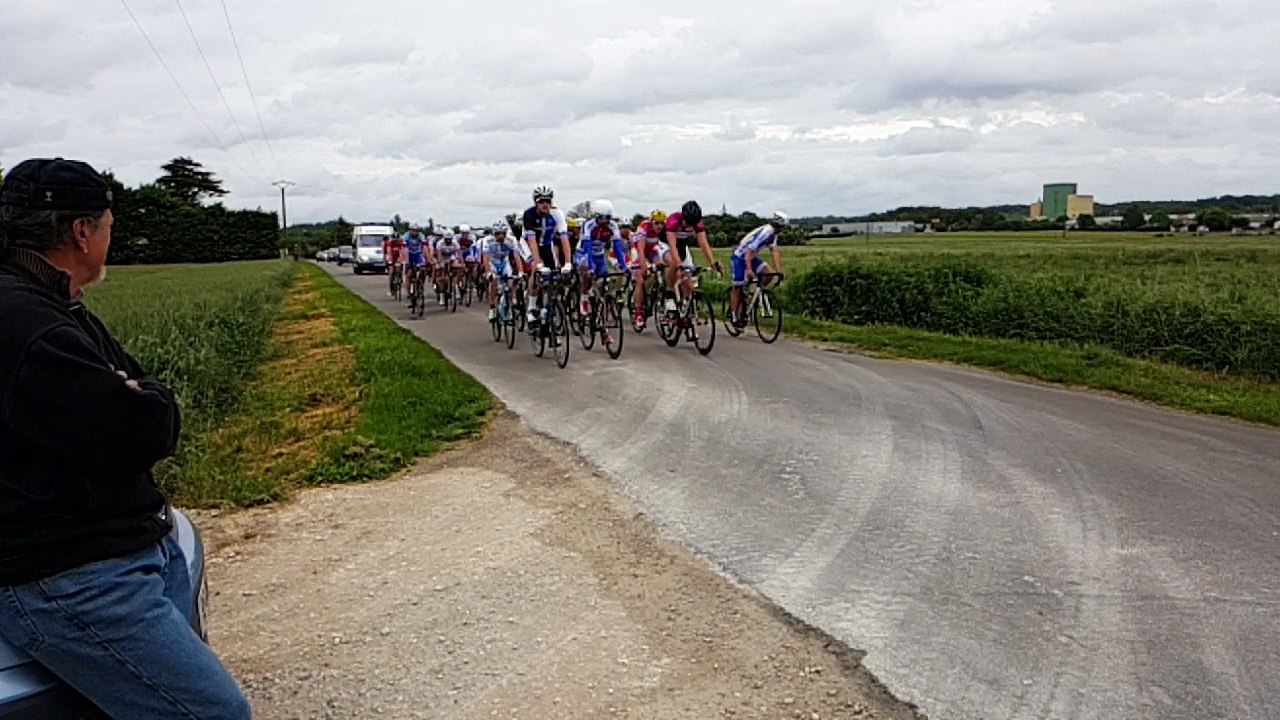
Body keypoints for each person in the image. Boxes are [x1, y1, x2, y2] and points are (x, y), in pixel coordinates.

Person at [0, 158, 250, 719]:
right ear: (82, 231)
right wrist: (137, 396)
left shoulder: (53, 303)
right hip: (72, 574)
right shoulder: (25, 320)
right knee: (215, 713)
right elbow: (139, 430)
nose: (110, 238)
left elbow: (141, 396)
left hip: (120, 547)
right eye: (109, 224)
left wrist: (139, 396)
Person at [520, 185, 573, 323]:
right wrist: (538, 263)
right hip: (528, 244)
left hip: (546, 244)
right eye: (541, 201)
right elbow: (531, 241)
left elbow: (564, 239)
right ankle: (531, 307)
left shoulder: (557, 214)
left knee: (554, 275)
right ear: (535, 202)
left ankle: (548, 305)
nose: (545, 204)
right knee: (535, 270)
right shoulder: (529, 214)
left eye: (548, 201)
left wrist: (568, 262)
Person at [662, 200, 722, 314]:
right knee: (675, 263)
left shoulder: (698, 223)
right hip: (666, 244)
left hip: (682, 246)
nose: (690, 226)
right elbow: (673, 246)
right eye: (688, 222)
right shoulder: (673, 220)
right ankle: (669, 294)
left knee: (689, 284)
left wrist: (712, 262)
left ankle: (684, 310)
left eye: (692, 224)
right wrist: (678, 264)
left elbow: (703, 243)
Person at [729, 211, 788, 327]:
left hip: (751, 257)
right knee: (738, 286)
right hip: (740, 257)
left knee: (769, 274)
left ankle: (753, 296)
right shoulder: (766, 232)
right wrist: (750, 270)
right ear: (779, 225)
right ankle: (734, 315)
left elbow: (774, 251)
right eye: (783, 227)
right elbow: (748, 251)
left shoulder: (773, 234)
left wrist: (778, 270)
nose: (783, 229)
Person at [575, 200, 628, 321]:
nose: (604, 221)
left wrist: (623, 266)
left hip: (599, 255)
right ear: (595, 216)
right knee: (587, 272)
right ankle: (583, 298)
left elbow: (618, 248)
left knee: (605, 279)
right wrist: (590, 265)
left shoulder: (613, 226)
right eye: (601, 218)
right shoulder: (588, 225)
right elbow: (587, 247)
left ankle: (599, 306)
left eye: (607, 218)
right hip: (584, 253)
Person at [629, 209, 669, 329]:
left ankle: (659, 297)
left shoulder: (664, 230)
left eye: (662, 223)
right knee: (640, 279)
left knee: (663, 267)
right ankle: (638, 312)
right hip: (638, 250)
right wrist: (643, 266)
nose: (659, 226)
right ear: (651, 222)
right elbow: (641, 250)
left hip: (652, 250)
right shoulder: (643, 227)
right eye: (657, 223)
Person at [482, 220, 522, 322]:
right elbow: (485, 258)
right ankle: (492, 307)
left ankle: (512, 303)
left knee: (510, 282)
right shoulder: (487, 240)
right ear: (493, 233)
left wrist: (520, 271)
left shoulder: (511, 240)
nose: (500, 236)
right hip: (493, 262)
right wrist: (489, 272)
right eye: (497, 234)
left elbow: (516, 256)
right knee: (494, 282)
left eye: (503, 234)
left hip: (504, 261)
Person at [402, 225, 429, 305]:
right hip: (409, 255)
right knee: (409, 274)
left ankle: (421, 286)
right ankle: (408, 294)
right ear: (409, 230)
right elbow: (405, 249)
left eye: (416, 231)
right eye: (413, 231)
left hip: (418, 254)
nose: (415, 232)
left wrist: (427, 260)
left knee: (423, 270)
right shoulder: (406, 237)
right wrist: (407, 262)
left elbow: (425, 248)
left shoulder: (421, 236)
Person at [434, 229, 462, 305]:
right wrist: (440, 264)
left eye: (450, 239)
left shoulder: (455, 243)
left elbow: (459, 253)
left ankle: (456, 287)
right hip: (442, 257)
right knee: (442, 276)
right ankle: (442, 296)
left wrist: (461, 263)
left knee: (458, 268)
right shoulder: (440, 243)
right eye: (447, 239)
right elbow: (439, 255)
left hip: (451, 257)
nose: (448, 241)